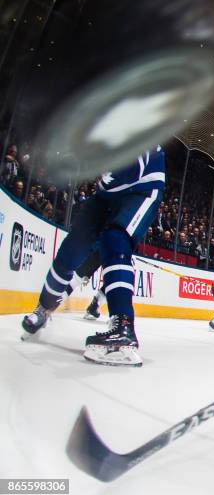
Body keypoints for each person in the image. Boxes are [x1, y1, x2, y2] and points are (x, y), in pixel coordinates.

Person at [21, 147, 165, 367]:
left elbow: (130, 160)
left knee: (115, 240)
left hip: (142, 188)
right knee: (72, 248)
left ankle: (123, 326)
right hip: (106, 194)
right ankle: (44, 308)